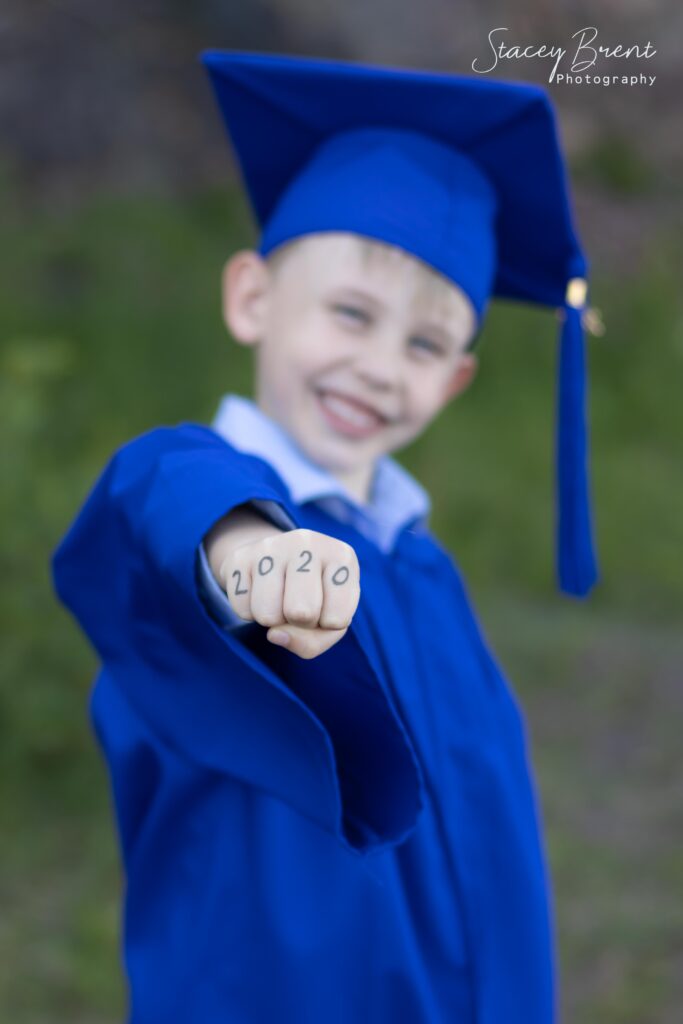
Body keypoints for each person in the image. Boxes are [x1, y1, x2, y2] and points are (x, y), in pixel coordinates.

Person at [51, 50, 600, 1024]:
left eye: (424, 344)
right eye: (350, 313)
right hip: (270, 988)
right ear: (252, 298)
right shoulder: (204, 485)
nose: (380, 367)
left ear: (454, 381)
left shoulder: (418, 561)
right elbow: (168, 496)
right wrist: (254, 557)